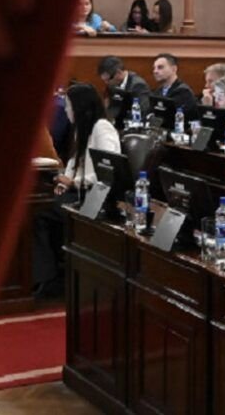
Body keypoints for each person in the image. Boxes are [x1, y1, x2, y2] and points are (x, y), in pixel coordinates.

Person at [34, 84, 120, 298]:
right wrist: (66, 181)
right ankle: (49, 273)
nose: (65, 110)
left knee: (39, 211)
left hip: (96, 197)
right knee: (39, 207)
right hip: (80, 191)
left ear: (80, 106)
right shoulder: (82, 128)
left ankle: (48, 278)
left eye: (68, 106)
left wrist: (74, 182)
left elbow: (107, 171)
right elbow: (75, 161)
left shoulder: (102, 128)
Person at [97, 55, 151, 121]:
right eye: (104, 80)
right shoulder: (112, 85)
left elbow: (142, 112)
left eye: (108, 79)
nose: (106, 83)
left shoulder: (138, 86)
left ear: (119, 72)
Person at [152, 53, 198, 120]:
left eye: (160, 67)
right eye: (154, 68)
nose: (155, 71)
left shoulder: (183, 92)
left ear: (174, 69)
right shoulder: (158, 91)